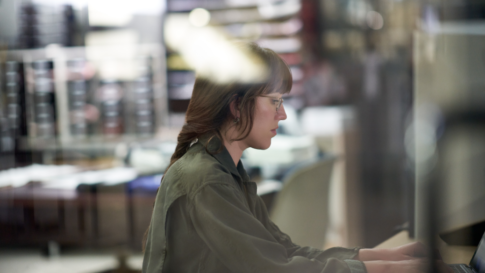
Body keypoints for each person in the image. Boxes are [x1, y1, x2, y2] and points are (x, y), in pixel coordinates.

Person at [142, 42, 451, 273]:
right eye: (275, 101)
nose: (284, 114)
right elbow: (276, 268)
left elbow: (284, 251)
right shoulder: (207, 179)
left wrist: (385, 257)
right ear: (237, 107)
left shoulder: (224, 168)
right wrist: (386, 270)